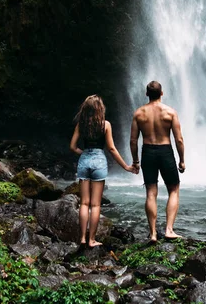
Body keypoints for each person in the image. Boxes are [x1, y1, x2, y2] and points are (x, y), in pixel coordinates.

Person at [70, 94, 135, 248]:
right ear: (100, 109)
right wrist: (126, 166)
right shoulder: (105, 125)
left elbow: (72, 146)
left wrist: (84, 154)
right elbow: (111, 148)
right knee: (96, 205)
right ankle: (92, 239)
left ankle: (82, 239)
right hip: (99, 162)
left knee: (84, 203)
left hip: (84, 161)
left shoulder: (81, 124)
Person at [130, 80, 185, 243]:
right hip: (165, 151)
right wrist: (182, 160)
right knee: (174, 189)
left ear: (147, 94)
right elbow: (179, 139)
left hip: (148, 152)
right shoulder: (170, 112)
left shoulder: (139, 113)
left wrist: (136, 161)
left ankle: (153, 233)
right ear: (162, 93)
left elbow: (133, 140)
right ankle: (169, 230)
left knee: (151, 192)